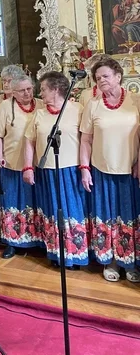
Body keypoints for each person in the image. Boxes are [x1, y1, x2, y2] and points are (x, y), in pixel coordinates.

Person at [79, 58, 140, 282]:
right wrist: (85, 168)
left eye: (105, 76)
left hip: (129, 172)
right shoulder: (92, 105)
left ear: (118, 76)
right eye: (97, 78)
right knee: (106, 217)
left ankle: (130, 261)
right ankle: (110, 261)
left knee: (129, 217)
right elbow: (85, 140)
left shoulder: (135, 101)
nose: (101, 80)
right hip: (101, 170)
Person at [24, 71, 89, 268]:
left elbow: (87, 139)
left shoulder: (77, 109)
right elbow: (29, 142)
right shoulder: (39, 114)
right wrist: (28, 167)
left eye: (43, 89)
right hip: (47, 171)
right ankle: (56, 253)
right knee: (52, 211)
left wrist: (85, 166)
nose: (40, 93)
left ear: (56, 89)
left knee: (73, 212)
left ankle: (76, 254)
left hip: (71, 171)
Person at [0, 75, 44, 258]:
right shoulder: (6, 107)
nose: (27, 93)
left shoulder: (41, 104)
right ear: (13, 92)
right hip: (12, 163)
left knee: (37, 203)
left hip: (37, 165)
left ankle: (39, 240)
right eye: (22, 90)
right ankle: (12, 241)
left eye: (30, 88)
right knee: (12, 203)